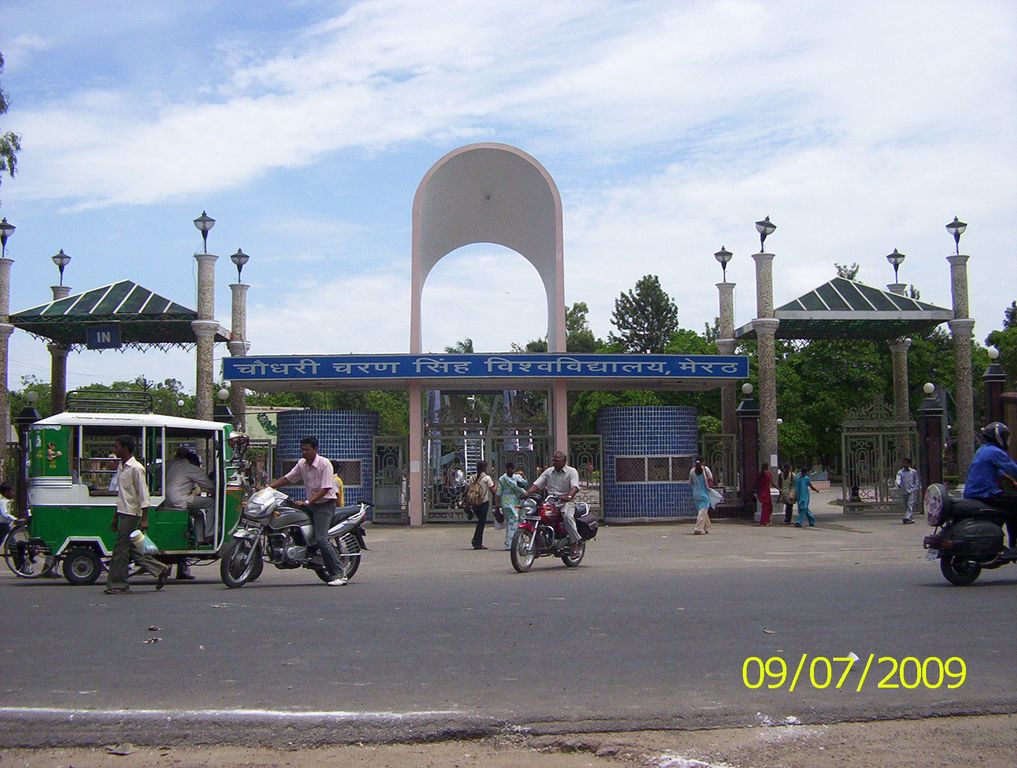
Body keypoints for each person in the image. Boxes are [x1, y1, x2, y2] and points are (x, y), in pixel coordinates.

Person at [268, 436, 347, 585]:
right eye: (302, 449)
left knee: (321, 539)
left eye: (307, 450)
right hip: (310, 504)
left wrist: (307, 501)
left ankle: (339, 573)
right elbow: (288, 478)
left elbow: (325, 489)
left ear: (315, 450)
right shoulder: (302, 464)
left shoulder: (325, 464)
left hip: (324, 506)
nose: (303, 453)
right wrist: (269, 487)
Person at [104, 434, 170, 595]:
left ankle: (119, 584)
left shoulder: (136, 468)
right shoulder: (121, 467)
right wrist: (115, 517)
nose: (115, 449)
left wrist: (145, 518)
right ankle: (160, 569)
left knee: (120, 550)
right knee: (129, 548)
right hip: (123, 512)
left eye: (117, 446)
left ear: (125, 448)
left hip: (132, 514)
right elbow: (122, 496)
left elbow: (143, 495)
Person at [963, 422, 1017, 548]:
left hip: (973, 493)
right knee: (1014, 506)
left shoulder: (983, 450)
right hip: (986, 493)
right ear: (999, 437)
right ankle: (1014, 544)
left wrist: (1011, 481)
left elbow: (997, 471)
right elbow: (1013, 468)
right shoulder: (995, 452)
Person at [165, 445, 214, 579]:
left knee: (198, 514)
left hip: (166, 500)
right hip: (179, 500)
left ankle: (200, 539)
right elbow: (209, 486)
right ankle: (210, 534)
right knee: (211, 503)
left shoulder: (171, 464)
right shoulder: (191, 468)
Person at [528, 451, 582, 556]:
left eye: (557, 460)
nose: (554, 463)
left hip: (567, 502)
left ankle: (574, 543)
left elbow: (574, 487)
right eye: (553, 460)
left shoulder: (572, 472)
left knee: (567, 516)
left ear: (564, 461)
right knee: (536, 514)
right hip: (551, 501)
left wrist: (568, 496)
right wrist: (528, 492)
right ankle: (538, 541)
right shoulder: (548, 472)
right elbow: (538, 484)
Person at [498, 462, 529, 551]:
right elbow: (498, 493)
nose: (510, 470)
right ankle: (510, 544)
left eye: (512, 469)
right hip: (507, 502)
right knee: (512, 520)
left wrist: (523, 475)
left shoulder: (517, 477)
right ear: (506, 469)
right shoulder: (503, 479)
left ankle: (515, 541)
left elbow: (525, 483)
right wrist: (497, 505)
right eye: (509, 469)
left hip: (517, 502)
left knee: (517, 521)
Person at [466, 460, 496, 550]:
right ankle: (477, 542)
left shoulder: (472, 477)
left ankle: (476, 540)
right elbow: (493, 491)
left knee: (479, 523)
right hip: (483, 502)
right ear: (484, 468)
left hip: (474, 502)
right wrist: (496, 486)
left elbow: (468, 489)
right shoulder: (487, 478)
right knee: (481, 524)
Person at [689, 458, 714, 534]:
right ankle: (698, 528)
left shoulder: (692, 471)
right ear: (703, 462)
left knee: (702, 511)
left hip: (695, 493)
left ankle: (707, 527)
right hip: (704, 493)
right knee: (703, 511)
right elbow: (711, 478)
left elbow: (690, 482)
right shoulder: (705, 469)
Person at [895, 457, 921, 525]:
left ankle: (906, 517)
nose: (904, 464)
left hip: (912, 490)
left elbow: (916, 481)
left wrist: (915, 488)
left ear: (909, 463)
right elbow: (898, 479)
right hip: (904, 490)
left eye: (906, 462)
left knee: (910, 504)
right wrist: (898, 483)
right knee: (906, 505)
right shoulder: (900, 472)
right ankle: (910, 519)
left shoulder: (913, 472)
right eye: (903, 462)